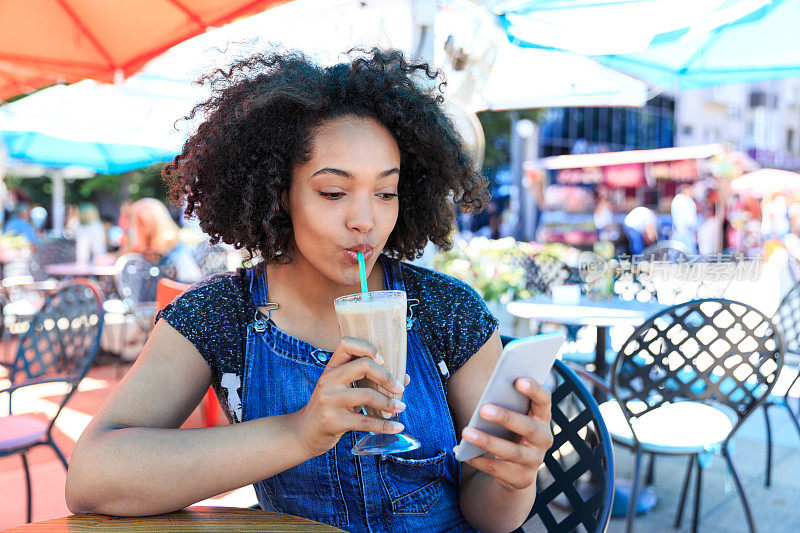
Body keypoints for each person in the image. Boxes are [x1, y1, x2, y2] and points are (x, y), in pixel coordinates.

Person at [65, 49, 553, 533]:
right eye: (334, 193)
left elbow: (492, 519)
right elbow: (91, 478)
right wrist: (298, 432)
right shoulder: (221, 316)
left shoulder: (447, 310)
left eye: (386, 193)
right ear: (281, 191)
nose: (365, 220)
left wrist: (515, 479)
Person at [126, 197, 202, 283]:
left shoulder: (172, 243)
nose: (142, 228)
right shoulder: (145, 248)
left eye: (143, 223)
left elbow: (189, 277)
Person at [671, 184, 699, 254]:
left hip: (677, 232)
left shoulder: (675, 200)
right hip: (687, 232)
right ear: (685, 191)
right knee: (691, 257)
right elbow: (691, 221)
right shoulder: (688, 201)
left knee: (675, 256)